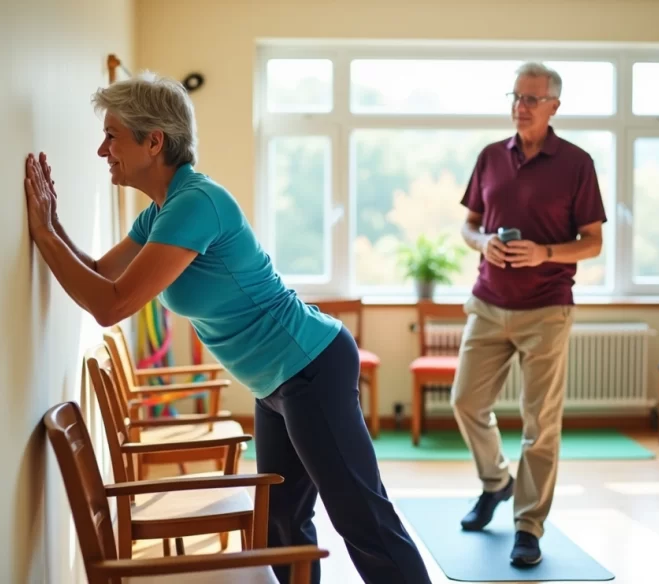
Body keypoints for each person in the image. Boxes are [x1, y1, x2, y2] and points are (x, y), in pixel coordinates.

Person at [22, 71, 432, 584]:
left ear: (154, 142)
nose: (103, 150)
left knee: (361, 517)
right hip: (274, 382)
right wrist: (53, 225)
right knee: (280, 522)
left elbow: (110, 304)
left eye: (113, 135)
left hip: (309, 366)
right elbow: (103, 275)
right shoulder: (161, 212)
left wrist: (44, 236)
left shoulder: (196, 203)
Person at [449, 62, 606, 567]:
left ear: (554, 106)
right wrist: (485, 243)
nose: (521, 106)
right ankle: (496, 482)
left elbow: (593, 243)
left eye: (532, 98)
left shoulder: (577, 164)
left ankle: (529, 525)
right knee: (465, 401)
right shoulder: (492, 156)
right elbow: (469, 227)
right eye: (516, 96)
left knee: (541, 424)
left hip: (547, 311)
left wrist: (544, 254)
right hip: (489, 303)